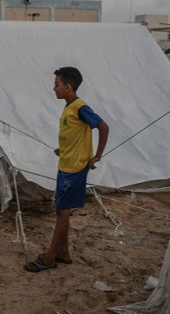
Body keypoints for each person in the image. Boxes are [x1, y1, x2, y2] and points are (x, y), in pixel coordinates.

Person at [24, 66, 109, 273]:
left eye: (57, 84)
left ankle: (50, 256)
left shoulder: (80, 107)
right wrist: (63, 148)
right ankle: (63, 252)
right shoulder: (69, 106)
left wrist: (97, 156)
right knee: (62, 209)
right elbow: (75, 133)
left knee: (62, 212)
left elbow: (103, 127)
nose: (54, 88)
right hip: (66, 164)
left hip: (75, 168)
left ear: (68, 86)